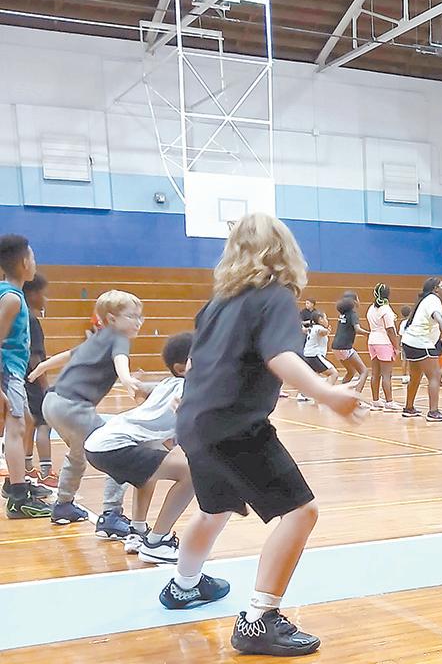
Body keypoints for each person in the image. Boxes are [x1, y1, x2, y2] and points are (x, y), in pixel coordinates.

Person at [157, 213, 362, 657]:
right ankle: (259, 620)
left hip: (196, 422)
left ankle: (184, 585)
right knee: (301, 512)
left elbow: (194, 363)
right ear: (284, 251)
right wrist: (328, 393)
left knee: (214, 509)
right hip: (234, 425)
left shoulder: (217, 304)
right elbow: (281, 357)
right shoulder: (274, 298)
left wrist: (188, 403)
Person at [31, 290, 144, 533]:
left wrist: (42, 367)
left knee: (77, 454)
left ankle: (63, 505)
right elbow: (120, 359)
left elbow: (69, 355)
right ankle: (111, 514)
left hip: (52, 402)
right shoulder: (119, 338)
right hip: (74, 407)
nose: (138, 322)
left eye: (140, 316)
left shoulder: (97, 337)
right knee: (119, 450)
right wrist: (126, 379)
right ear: (112, 319)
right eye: (132, 316)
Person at [84, 333, 195, 564]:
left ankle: (137, 532)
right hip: (114, 446)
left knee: (149, 471)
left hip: (97, 444)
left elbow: (144, 392)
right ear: (182, 368)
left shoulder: (167, 383)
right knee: (192, 473)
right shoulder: (190, 387)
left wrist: (137, 385)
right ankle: (158, 542)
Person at [0, 234, 52, 518]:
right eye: (32, 257)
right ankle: (18, 498)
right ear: (23, 262)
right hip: (8, 371)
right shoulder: (11, 299)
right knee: (17, 428)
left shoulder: (11, 293)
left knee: (27, 421)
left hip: (12, 372)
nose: (35, 262)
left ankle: (14, 482)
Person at [400, 278, 442, 422]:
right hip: (421, 342)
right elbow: (435, 314)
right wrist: (441, 323)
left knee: (415, 376)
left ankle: (409, 408)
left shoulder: (425, 300)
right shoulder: (434, 299)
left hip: (409, 341)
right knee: (434, 376)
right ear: (436, 289)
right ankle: (433, 412)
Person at [22, 274, 56, 490]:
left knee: (30, 422)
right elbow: (35, 357)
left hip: (21, 378)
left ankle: (27, 466)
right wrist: (45, 386)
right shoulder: (32, 320)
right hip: (33, 379)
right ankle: (46, 472)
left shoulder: (21, 316)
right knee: (44, 423)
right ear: (33, 294)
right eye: (44, 294)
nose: (46, 299)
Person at [366, 284, 402, 412]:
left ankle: (375, 401)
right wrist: (396, 347)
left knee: (375, 373)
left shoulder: (371, 308)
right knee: (387, 374)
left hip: (372, 341)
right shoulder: (386, 309)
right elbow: (390, 329)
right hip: (384, 342)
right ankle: (389, 402)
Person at [333, 295, 368, 393]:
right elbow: (357, 329)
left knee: (351, 372)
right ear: (354, 301)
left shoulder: (342, 314)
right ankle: (356, 397)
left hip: (335, 347)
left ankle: (341, 394)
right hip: (345, 347)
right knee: (364, 371)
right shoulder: (353, 314)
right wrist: (369, 334)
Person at [299, 311, 338, 396]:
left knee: (313, 377)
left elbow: (304, 330)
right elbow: (321, 331)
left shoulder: (311, 328)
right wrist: (326, 331)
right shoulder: (318, 328)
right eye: (325, 318)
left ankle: (302, 394)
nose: (327, 320)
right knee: (333, 374)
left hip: (307, 355)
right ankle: (324, 395)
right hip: (314, 355)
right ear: (320, 319)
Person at [398, 305, 412, 384]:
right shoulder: (412, 322)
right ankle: (410, 376)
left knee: (404, 360)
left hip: (404, 343)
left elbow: (400, 334)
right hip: (411, 343)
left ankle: (404, 377)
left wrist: (399, 344)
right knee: (411, 360)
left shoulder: (402, 323)